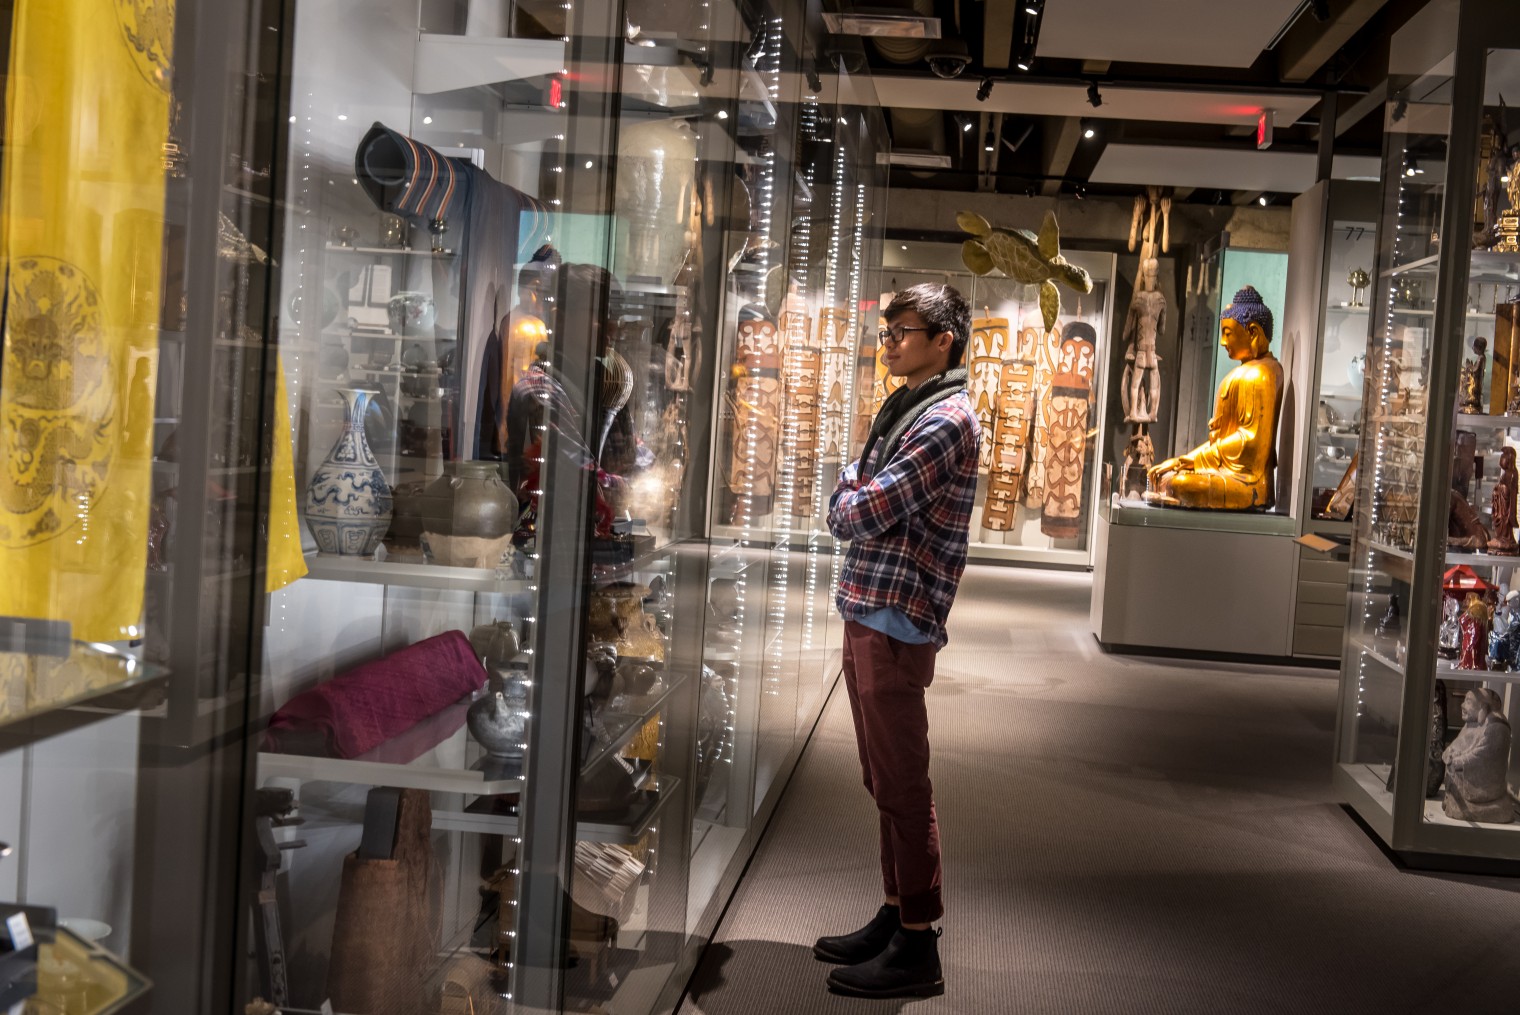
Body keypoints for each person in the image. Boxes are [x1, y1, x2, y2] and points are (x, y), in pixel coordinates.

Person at [817, 283, 980, 999]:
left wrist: (851, 491)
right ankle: (895, 911)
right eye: (887, 331)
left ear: (943, 339)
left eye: (901, 331)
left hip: (897, 611)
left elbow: (863, 506)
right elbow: (855, 492)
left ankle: (919, 941)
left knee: (905, 785)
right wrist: (853, 489)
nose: (888, 342)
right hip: (870, 605)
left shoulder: (945, 419)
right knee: (881, 778)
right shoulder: (906, 407)